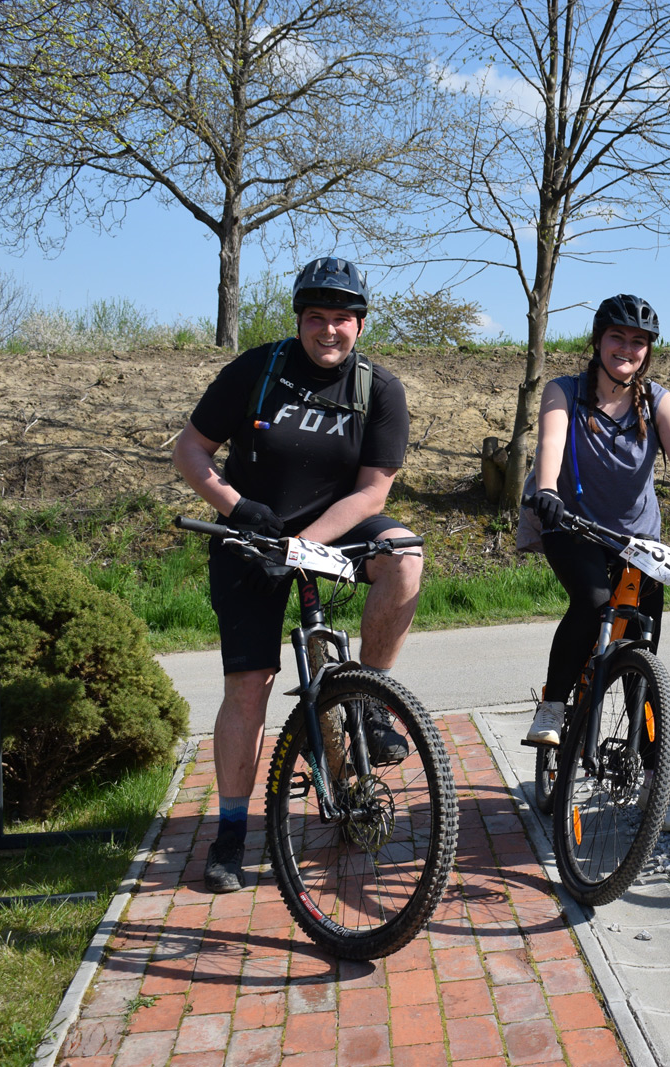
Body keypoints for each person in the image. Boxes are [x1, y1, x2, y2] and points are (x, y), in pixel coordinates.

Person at [173, 256, 422, 892]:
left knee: (405, 555)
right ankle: (232, 831)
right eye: (318, 318)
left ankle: (368, 699)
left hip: (330, 528)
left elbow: (372, 493)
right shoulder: (258, 369)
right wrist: (239, 507)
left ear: (360, 325)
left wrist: (303, 544)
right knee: (249, 686)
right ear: (300, 320)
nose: (330, 331)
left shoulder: (379, 389)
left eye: (343, 319)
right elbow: (190, 450)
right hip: (248, 537)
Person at [524, 294, 670, 832]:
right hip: (570, 524)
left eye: (638, 342)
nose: (627, 349)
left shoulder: (656, 401)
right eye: (617, 338)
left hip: (637, 541)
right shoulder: (565, 391)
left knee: (640, 664)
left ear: (648, 351)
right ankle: (555, 707)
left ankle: (654, 785)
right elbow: (550, 446)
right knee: (591, 601)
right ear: (598, 341)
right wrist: (544, 491)